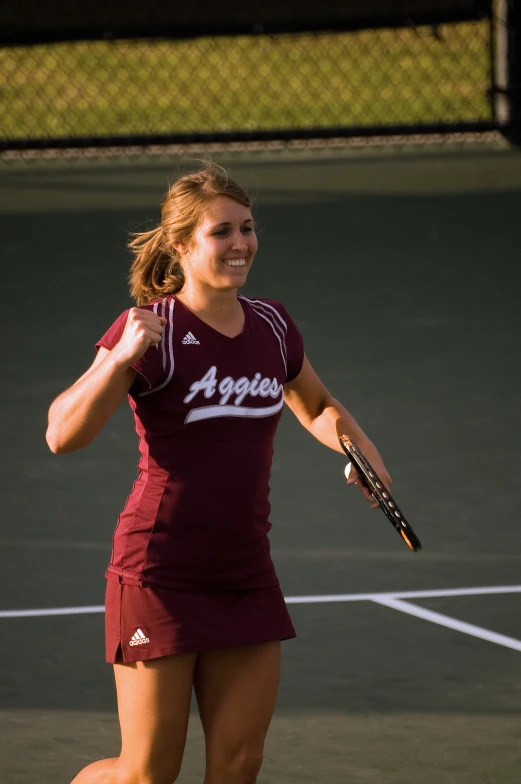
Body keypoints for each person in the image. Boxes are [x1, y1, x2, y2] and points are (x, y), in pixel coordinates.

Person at [46, 162, 391, 784]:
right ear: (181, 246)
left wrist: (358, 451)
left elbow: (315, 405)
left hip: (244, 572)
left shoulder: (271, 325)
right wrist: (118, 359)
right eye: (222, 232)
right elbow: (61, 434)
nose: (240, 244)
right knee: (147, 772)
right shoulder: (150, 331)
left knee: (238, 763)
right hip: (159, 574)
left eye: (248, 228)